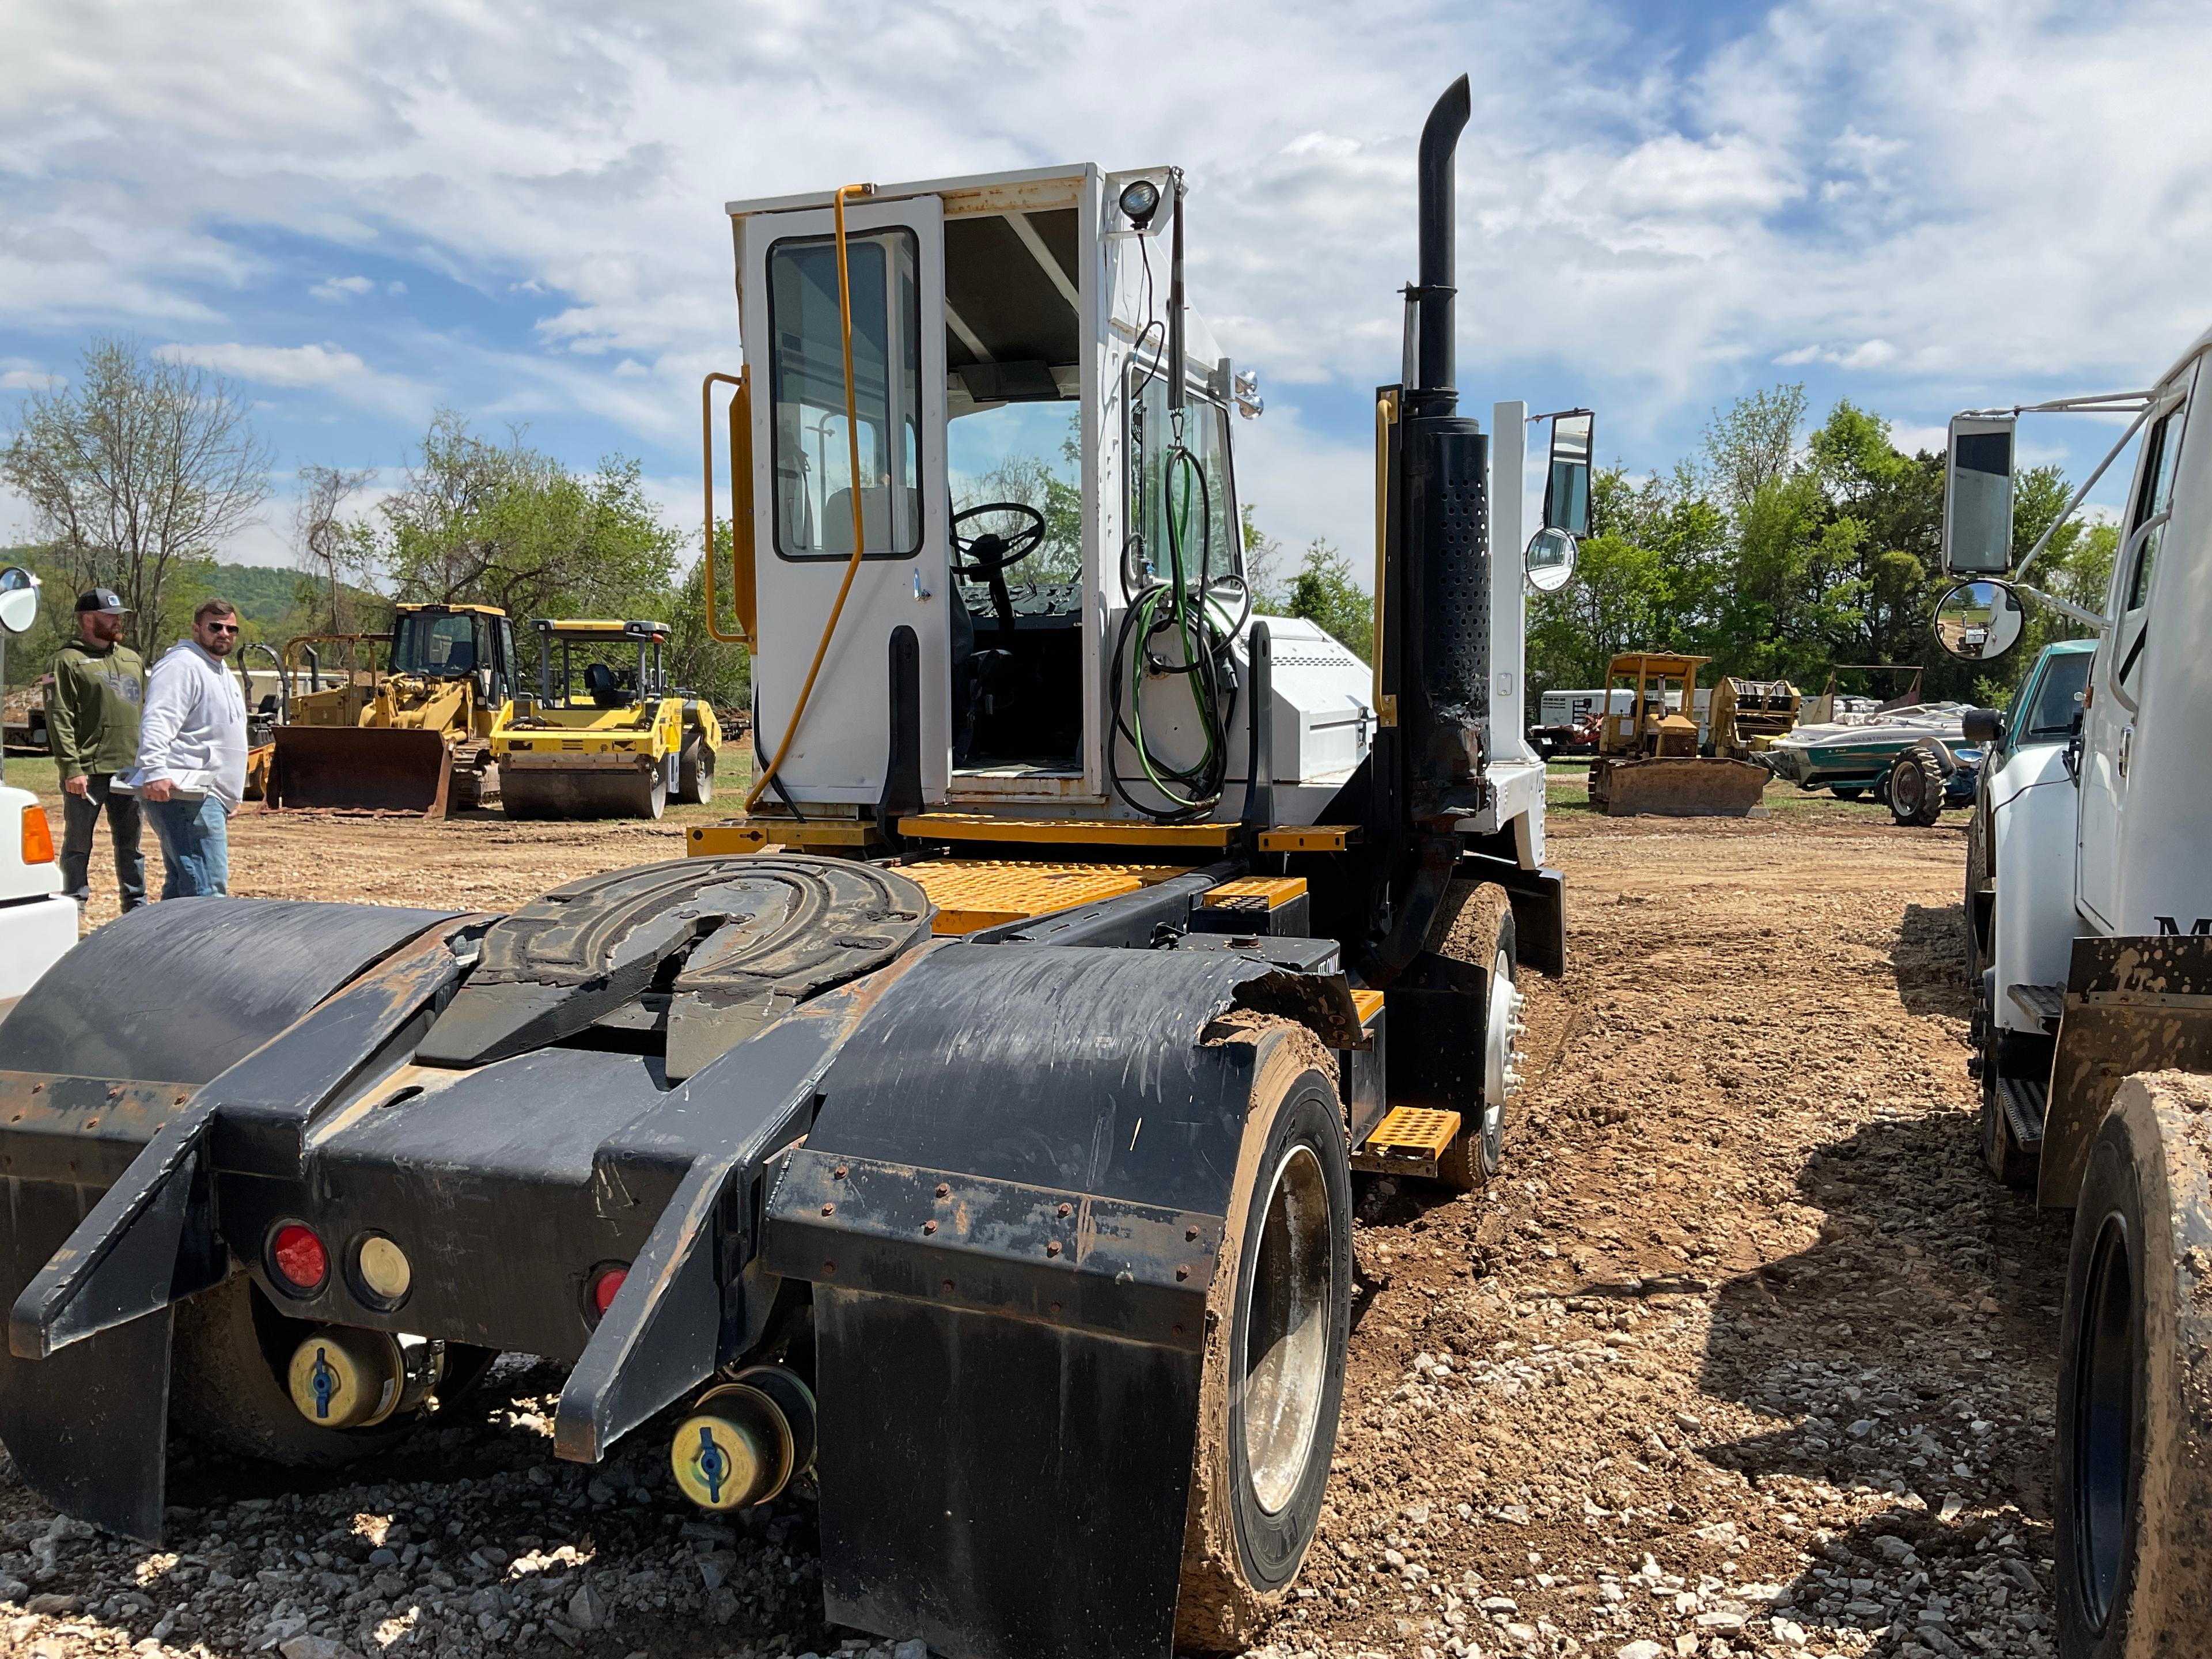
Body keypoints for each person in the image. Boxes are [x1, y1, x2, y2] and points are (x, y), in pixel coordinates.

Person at [135, 598, 248, 899]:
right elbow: (159, 718)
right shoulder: (182, 665)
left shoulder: (219, 670)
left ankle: (162, 946)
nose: (224, 633)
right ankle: (204, 947)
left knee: (184, 885)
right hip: (185, 793)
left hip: (207, 796)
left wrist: (228, 795)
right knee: (205, 890)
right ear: (196, 628)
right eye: (216, 627)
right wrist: (156, 770)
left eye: (231, 629)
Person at [45, 587, 147, 912]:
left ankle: (136, 905)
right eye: (110, 616)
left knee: (131, 844)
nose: (118, 622)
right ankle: (74, 902)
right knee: (77, 843)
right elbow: (59, 716)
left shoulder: (132, 659)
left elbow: (147, 713)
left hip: (130, 769)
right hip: (88, 771)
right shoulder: (66, 661)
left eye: (119, 616)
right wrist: (71, 767)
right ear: (88, 619)